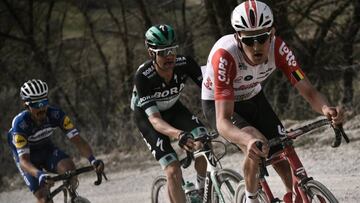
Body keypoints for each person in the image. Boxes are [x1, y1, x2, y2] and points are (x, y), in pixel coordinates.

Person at [201, 1, 344, 203]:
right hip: (220, 102)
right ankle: (251, 198)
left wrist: (326, 109)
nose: (257, 46)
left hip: (252, 95)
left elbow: (309, 91)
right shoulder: (225, 56)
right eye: (249, 41)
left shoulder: (279, 49)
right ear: (237, 37)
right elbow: (222, 122)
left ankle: (292, 196)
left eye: (262, 38)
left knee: (283, 148)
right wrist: (247, 141)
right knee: (257, 144)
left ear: (272, 33)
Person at [130, 24, 208, 203]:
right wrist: (179, 134)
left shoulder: (185, 63)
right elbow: (155, 120)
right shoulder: (143, 76)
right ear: (151, 53)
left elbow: (209, 91)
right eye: (163, 52)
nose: (170, 56)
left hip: (174, 109)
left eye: (172, 50)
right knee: (173, 169)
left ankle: (203, 192)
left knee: (204, 143)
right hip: (149, 118)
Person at [7, 79, 104, 203]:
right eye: (36, 105)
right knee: (43, 197)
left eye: (44, 102)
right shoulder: (20, 124)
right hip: (28, 159)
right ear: (26, 105)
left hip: (46, 150)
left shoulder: (56, 114)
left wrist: (93, 160)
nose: (42, 108)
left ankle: (73, 198)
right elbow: (24, 161)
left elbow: (78, 141)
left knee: (70, 170)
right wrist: (39, 174)